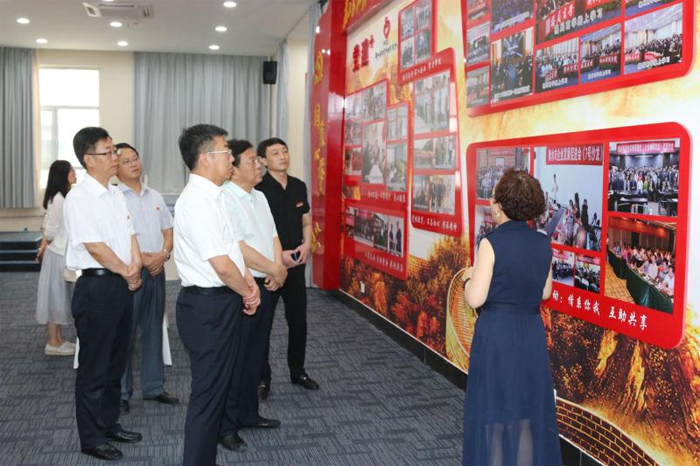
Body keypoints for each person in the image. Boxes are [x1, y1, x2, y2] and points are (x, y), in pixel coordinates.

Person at [462, 169, 562, 466]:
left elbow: (475, 298)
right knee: (525, 418)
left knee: (494, 419)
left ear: (501, 205)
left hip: (497, 336)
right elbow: (545, 291)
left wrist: (468, 278)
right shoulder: (542, 242)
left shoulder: (491, 243)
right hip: (530, 335)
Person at [174, 124, 260, 466]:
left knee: (216, 391)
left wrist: (247, 280)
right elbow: (222, 266)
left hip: (220, 302)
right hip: (207, 307)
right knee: (207, 397)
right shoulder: (198, 202)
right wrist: (248, 292)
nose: (231, 159)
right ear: (205, 158)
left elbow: (231, 250)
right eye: (226, 152)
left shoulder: (215, 195)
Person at [63, 127, 143, 461]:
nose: (115, 157)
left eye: (114, 151)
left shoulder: (116, 194)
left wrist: (135, 266)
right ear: (88, 159)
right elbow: (94, 246)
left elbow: (130, 235)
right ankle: (91, 437)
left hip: (121, 283)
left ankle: (109, 423)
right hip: (96, 287)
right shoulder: (79, 198)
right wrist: (126, 270)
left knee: (116, 361)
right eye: (108, 152)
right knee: (94, 367)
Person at [219, 139, 288, 452]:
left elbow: (272, 235)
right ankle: (227, 425)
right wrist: (273, 268)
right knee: (236, 357)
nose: (258, 164)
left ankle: (249, 413)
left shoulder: (259, 196)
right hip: (242, 287)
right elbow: (239, 248)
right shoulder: (225, 199)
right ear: (233, 169)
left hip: (266, 282)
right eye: (251, 160)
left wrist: (277, 269)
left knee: (255, 354)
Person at [115, 143, 179, 414]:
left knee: (154, 328)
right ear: (115, 168)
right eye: (126, 161)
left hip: (156, 270)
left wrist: (162, 255)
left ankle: (154, 387)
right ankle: (121, 392)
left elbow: (168, 230)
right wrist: (142, 259)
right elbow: (115, 239)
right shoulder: (114, 198)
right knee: (125, 334)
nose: (134, 164)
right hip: (130, 273)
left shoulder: (155, 195)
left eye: (135, 158)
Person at [255, 137, 319, 399]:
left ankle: (298, 371)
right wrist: (277, 258)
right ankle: (262, 378)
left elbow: (306, 221)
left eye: (285, 151)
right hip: (270, 266)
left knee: (298, 321)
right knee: (263, 325)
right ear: (263, 160)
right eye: (275, 153)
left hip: (296, 264)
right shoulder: (257, 189)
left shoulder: (298, 185)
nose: (282, 156)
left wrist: (307, 245)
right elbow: (256, 233)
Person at [36, 160, 76, 356]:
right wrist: (47, 242)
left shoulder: (62, 197)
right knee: (54, 297)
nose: (75, 173)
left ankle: (58, 339)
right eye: (71, 170)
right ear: (63, 175)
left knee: (59, 296)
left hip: (60, 252)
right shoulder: (59, 199)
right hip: (57, 253)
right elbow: (50, 229)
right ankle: (52, 342)